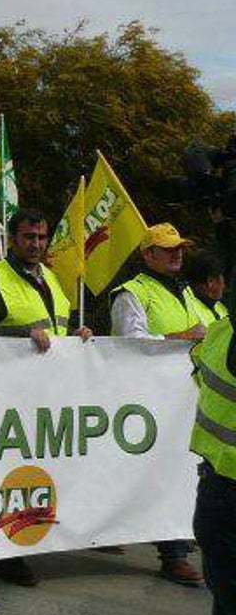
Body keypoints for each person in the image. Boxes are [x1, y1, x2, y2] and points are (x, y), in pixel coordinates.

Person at [0, 208, 93, 587]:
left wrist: (78, 335)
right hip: (8, 399)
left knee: (44, 472)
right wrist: (23, 338)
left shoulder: (51, 279)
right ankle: (11, 553)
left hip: (49, 395)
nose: (36, 244)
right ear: (13, 239)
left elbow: (59, 329)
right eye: (28, 237)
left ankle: (34, 539)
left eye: (41, 237)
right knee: (11, 476)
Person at [109, 222, 205, 586]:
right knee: (157, 472)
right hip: (145, 399)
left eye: (179, 247)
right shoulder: (132, 292)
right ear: (147, 255)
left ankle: (175, 541)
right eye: (167, 249)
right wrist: (178, 337)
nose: (177, 253)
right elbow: (129, 343)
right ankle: (172, 553)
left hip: (183, 394)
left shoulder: (185, 291)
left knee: (177, 469)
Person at [167, 306, 236, 615]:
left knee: (232, 582)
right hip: (219, 472)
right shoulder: (221, 330)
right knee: (221, 575)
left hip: (232, 478)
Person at [186, 250, 229, 327]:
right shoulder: (191, 312)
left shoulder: (219, 307)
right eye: (222, 278)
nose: (224, 286)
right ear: (210, 281)